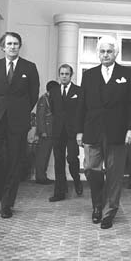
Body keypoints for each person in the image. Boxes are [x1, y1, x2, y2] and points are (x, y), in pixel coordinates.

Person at [76, 35, 131, 229]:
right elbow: (81, 106)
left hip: (118, 132)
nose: (105, 54)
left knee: (114, 173)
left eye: (109, 51)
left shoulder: (127, 74)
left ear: (116, 53)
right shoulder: (89, 75)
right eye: (102, 51)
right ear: (98, 53)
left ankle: (109, 211)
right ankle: (97, 205)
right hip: (92, 130)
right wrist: (79, 131)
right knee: (90, 169)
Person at [0, 31, 40, 219]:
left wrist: (20, 111)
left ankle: (7, 203)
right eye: (9, 44)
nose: (13, 46)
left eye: (16, 43)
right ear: (3, 47)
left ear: (19, 46)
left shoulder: (29, 67)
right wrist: (2, 108)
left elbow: (33, 95)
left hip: (18, 121)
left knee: (14, 162)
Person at [49, 64, 83, 202]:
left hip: (72, 132)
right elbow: (53, 110)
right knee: (59, 161)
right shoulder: (54, 91)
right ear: (59, 75)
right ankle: (59, 192)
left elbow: (81, 112)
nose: (64, 76)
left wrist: (80, 131)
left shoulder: (79, 91)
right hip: (57, 132)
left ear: (71, 75)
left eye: (66, 74)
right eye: (62, 74)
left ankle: (76, 180)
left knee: (72, 159)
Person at [34, 80, 59, 184]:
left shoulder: (50, 98)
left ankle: (42, 175)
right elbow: (40, 117)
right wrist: (42, 131)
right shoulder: (44, 99)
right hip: (46, 133)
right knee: (42, 156)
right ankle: (40, 177)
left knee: (46, 155)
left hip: (51, 132)